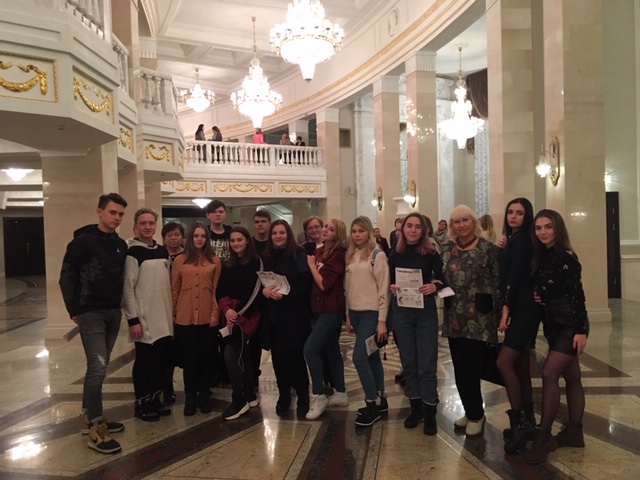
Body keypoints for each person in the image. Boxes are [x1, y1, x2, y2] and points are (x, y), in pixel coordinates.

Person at [59, 193, 128, 454]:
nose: (117, 218)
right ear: (100, 212)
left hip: (112, 312)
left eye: (120, 214)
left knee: (100, 367)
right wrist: (73, 309)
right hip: (90, 312)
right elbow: (67, 277)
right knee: (97, 368)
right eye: (113, 212)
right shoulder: (82, 242)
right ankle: (96, 430)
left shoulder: (120, 244)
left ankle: (89, 416)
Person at [523, 209, 589, 464]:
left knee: (549, 374)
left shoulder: (566, 257)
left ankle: (544, 436)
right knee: (572, 377)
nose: (543, 232)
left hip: (570, 326)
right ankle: (574, 432)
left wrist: (581, 331)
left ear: (557, 228)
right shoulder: (543, 256)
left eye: (548, 227)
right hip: (553, 324)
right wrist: (542, 295)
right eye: (539, 228)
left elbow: (577, 296)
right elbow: (549, 287)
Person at [441, 205, 501, 436]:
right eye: (456, 221)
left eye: (465, 220)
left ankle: (477, 414)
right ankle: (469, 410)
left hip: (480, 317)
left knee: (472, 366)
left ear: (474, 222)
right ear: (452, 226)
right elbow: (439, 277)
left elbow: (497, 280)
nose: (461, 225)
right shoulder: (447, 248)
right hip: (454, 316)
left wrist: (500, 314)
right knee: (459, 367)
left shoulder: (487, 248)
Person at [389, 213, 444, 435]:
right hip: (402, 312)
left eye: (417, 227)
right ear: (402, 229)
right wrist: (393, 287)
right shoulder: (395, 253)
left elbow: (444, 279)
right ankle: (416, 408)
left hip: (425, 313)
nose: (413, 230)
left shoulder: (431, 253)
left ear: (424, 230)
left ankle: (430, 412)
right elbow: (390, 280)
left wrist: (435, 287)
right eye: (409, 226)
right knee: (409, 364)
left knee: (427, 365)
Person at [495, 198, 542, 453]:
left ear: (527, 216)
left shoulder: (522, 239)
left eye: (520, 213)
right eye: (510, 212)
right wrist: (502, 249)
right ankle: (529, 422)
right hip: (523, 306)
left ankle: (520, 423)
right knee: (522, 366)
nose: (513, 216)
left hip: (523, 309)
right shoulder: (516, 240)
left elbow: (514, 275)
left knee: (504, 362)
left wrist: (506, 308)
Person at [122, 208, 173, 422]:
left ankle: (155, 399)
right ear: (135, 226)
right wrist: (133, 319)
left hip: (164, 317)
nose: (147, 227)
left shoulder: (162, 251)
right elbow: (127, 289)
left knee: (160, 362)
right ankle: (142, 403)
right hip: (144, 319)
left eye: (151, 223)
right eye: (143, 223)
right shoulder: (132, 253)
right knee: (145, 363)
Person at [262, 220, 312, 416]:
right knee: (278, 358)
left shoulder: (299, 254)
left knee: (295, 357)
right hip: (274, 315)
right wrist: (265, 292)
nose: (278, 236)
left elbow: (305, 283)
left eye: (282, 232)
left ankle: (303, 395)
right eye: (275, 233)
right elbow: (262, 282)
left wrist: (285, 296)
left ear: (288, 234)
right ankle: (284, 395)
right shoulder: (267, 256)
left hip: (294, 314)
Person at [171, 221, 222, 416]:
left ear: (207, 239)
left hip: (208, 317)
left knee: (206, 358)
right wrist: (174, 312)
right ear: (190, 238)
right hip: (185, 317)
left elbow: (217, 290)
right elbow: (174, 289)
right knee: (190, 359)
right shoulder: (180, 260)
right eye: (196, 236)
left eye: (202, 236)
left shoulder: (214, 261)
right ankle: (190, 396)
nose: (199, 239)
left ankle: (204, 395)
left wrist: (215, 312)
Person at [345, 216, 390, 427]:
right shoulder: (350, 255)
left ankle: (371, 403)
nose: (357, 235)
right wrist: (348, 315)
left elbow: (383, 289)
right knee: (372, 357)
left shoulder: (377, 255)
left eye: (361, 231)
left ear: (369, 232)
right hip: (355, 312)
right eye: (354, 231)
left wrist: (382, 321)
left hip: (371, 314)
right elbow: (348, 288)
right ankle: (381, 398)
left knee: (359, 358)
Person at [304, 219, 349, 420]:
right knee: (331, 349)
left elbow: (324, 283)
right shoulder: (321, 251)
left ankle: (318, 394)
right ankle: (340, 392)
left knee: (310, 349)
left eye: (331, 229)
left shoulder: (338, 255)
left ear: (337, 234)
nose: (325, 230)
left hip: (331, 309)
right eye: (326, 227)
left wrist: (312, 266)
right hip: (319, 308)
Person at [216, 227, 262, 420]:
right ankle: (249, 394)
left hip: (247, 315)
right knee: (244, 355)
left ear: (247, 241)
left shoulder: (256, 262)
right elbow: (220, 290)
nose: (235, 244)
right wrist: (226, 310)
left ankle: (239, 399)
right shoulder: (228, 264)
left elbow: (255, 292)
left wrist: (237, 316)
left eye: (239, 240)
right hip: (230, 314)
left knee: (231, 355)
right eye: (232, 240)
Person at [161, 221, 185, 404]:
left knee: (184, 348)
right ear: (164, 238)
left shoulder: (188, 256)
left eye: (177, 234)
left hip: (184, 306)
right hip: (163, 306)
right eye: (169, 235)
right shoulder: (159, 255)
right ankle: (166, 386)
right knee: (166, 351)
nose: (173, 238)